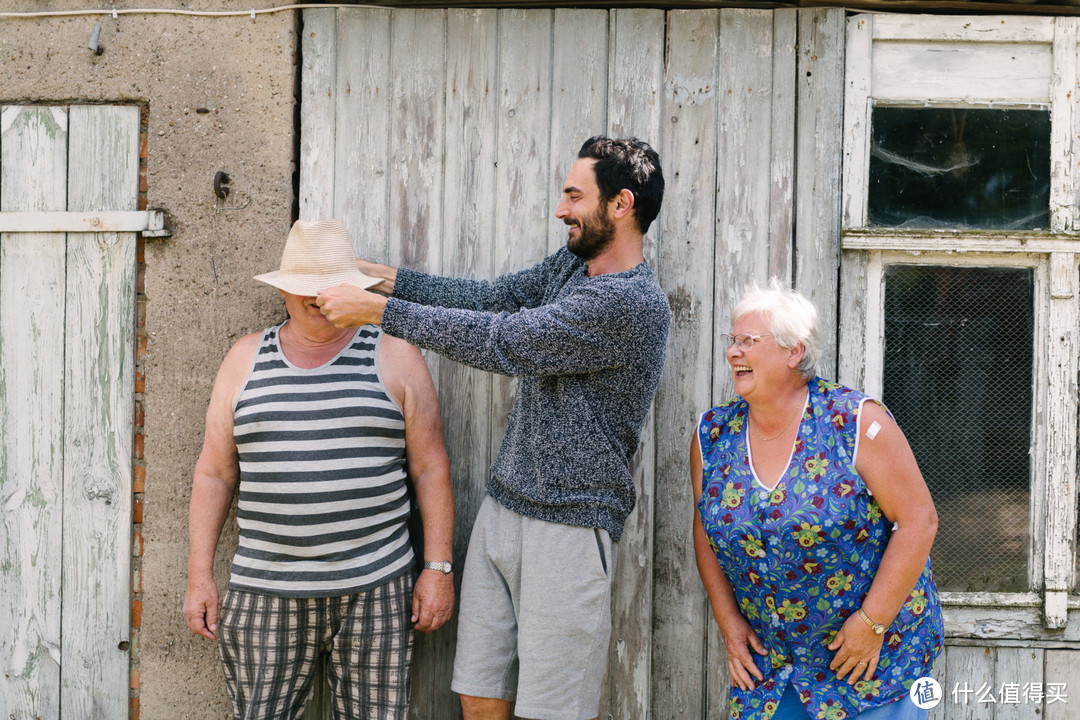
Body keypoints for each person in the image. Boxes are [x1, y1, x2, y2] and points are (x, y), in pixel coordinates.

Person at [315, 136, 670, 720]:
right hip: (504, 511)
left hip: (569, 528)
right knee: (479, 695)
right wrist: (383, 280)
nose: (561, 208)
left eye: (574, 195)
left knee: (548, 711)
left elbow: (506, 342)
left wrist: (378, 312)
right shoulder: (572, 267)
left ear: (621, 204)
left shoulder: (631, 303)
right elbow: (494, 300)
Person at [182, 219, 455, 720]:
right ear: (285, 287)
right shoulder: (244, 359)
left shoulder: (396, 355)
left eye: (328, 285)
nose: (317, 299)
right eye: (306, 286)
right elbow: (215, 473)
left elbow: (431, 468)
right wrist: (199, 575)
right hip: (266, 590)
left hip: (378, 588)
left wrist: (437, 570)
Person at [692, 281, 943, 720]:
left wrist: (872, 623)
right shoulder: (713, 435)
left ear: (794, 352)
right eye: (732, 341)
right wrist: (729, 624)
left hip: (867, 666)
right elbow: (705, 530)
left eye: (749, 341)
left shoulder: (854, 421)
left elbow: (918, 520)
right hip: (773, 673)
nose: (734, 352)